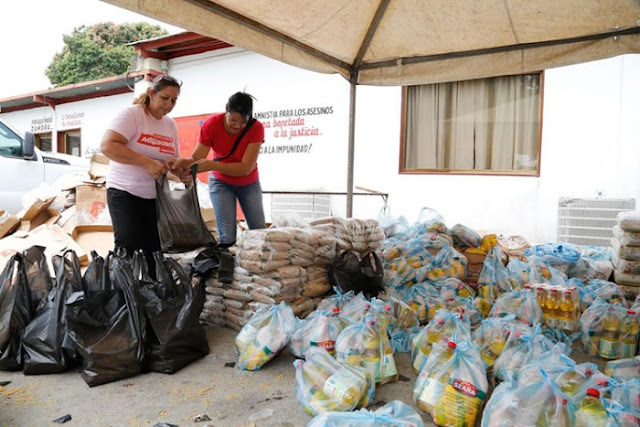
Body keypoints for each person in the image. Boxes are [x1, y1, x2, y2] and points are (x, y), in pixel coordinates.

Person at [101, 74, 188, 266]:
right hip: (124, 192)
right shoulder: (132, 114)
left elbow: (170, 160)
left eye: (174, 100)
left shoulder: (170, 125)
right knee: (128, 248)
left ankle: (149, 292)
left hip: (156, 197)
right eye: (165, 98)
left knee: (153, 250)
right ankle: (124, 293)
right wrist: (147, 163)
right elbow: (108, 146)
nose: (169, 104)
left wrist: (179, 169)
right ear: (151, 93)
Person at [174, 92, 266, 247]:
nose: (237, 126)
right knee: (227, 236)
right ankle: (229, 269)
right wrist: (184, 164)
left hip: (248, 183)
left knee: (259, 232)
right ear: (226, 110)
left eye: (243, 121)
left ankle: (257, 268)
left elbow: (245, 168)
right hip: (221, 183)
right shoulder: (212, 124)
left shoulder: (256, 128)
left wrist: (212, 165)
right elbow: (197, 157)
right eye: (233, 120)